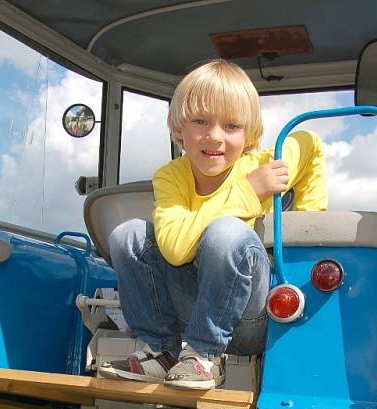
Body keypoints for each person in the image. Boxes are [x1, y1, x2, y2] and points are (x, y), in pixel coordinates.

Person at [99, 59, 327, 390]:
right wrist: (249, 192)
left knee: (227, 233)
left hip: (249, 319)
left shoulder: (262, 165)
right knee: (128, 234)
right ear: (179, 130)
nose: (215, 137)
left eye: (232, 126)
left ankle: (204, 357)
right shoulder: (171, 177)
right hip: (189, 311)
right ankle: (161, 354)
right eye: (200, 121)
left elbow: (310, 143)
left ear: (250, 135)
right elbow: (175, 250)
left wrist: (304, 222)